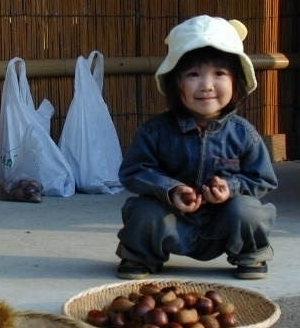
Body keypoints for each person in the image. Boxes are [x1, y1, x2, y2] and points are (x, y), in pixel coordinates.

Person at [115, 15, 278, 280]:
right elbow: (134, 171)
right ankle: (140, 256)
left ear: (236, 81)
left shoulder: (243, 133)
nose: (206, 86)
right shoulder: (155, 131)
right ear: (176, 82)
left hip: (224, 223)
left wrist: (231, 189)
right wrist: (171, 190)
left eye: (219, 74)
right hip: (173, 221)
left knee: (248, 210)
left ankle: (251, 254)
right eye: (193, 74)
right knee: (144, 211)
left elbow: (263, 179)